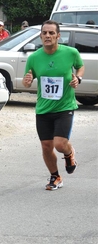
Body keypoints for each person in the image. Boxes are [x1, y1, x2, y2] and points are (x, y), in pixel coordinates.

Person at [22, 20, 84, 191]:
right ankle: (55, 176)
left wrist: (77, 78)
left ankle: (69, 153)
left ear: (58, 35)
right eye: (44, 33)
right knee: (46, 146)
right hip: (43, 108)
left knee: (59, 144)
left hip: (65, 107)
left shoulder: (71, 53)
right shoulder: (34, 57)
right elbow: (27, 81)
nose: (47, 36)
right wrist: (27, 82)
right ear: (40, 35)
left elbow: (80, 67)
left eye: (51, 33)